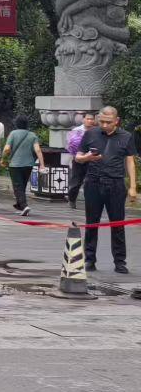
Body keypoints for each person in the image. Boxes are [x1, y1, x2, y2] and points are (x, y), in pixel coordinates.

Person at [74, 106, 138, 273]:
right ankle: (89, 259)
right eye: (101, 121)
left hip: (116, 184)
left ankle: (120, 261)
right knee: (91, 223)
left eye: (108, 122)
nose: (103, 125)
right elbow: (78, 157)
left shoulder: (126, 136)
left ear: (116, 121)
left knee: (118, 224)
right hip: (93, 182)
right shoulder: (90, 133)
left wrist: (132, 187)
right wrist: (86, 157)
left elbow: (130, 161)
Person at [0, 115, 43, 217]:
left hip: (15, 164)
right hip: (29, 165)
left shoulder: (13, 134)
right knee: (22, 185)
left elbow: (7, 149)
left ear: (16, 124)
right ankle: (20, 205)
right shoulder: (32, 135)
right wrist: (42, 164)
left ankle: (24, 206)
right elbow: (37, 150)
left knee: (17, 186)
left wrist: (3, 158)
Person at [67, 113, 97, 210]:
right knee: (76, 182)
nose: (90, 121)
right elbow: (70, 144)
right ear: (83, 120)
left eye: (92, 119)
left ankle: (91, 202)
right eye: (88, 119)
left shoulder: (97, 131)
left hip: (92, 159)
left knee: (90, 181)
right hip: (78, 160)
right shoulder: (76, 131)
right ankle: (71, 199)